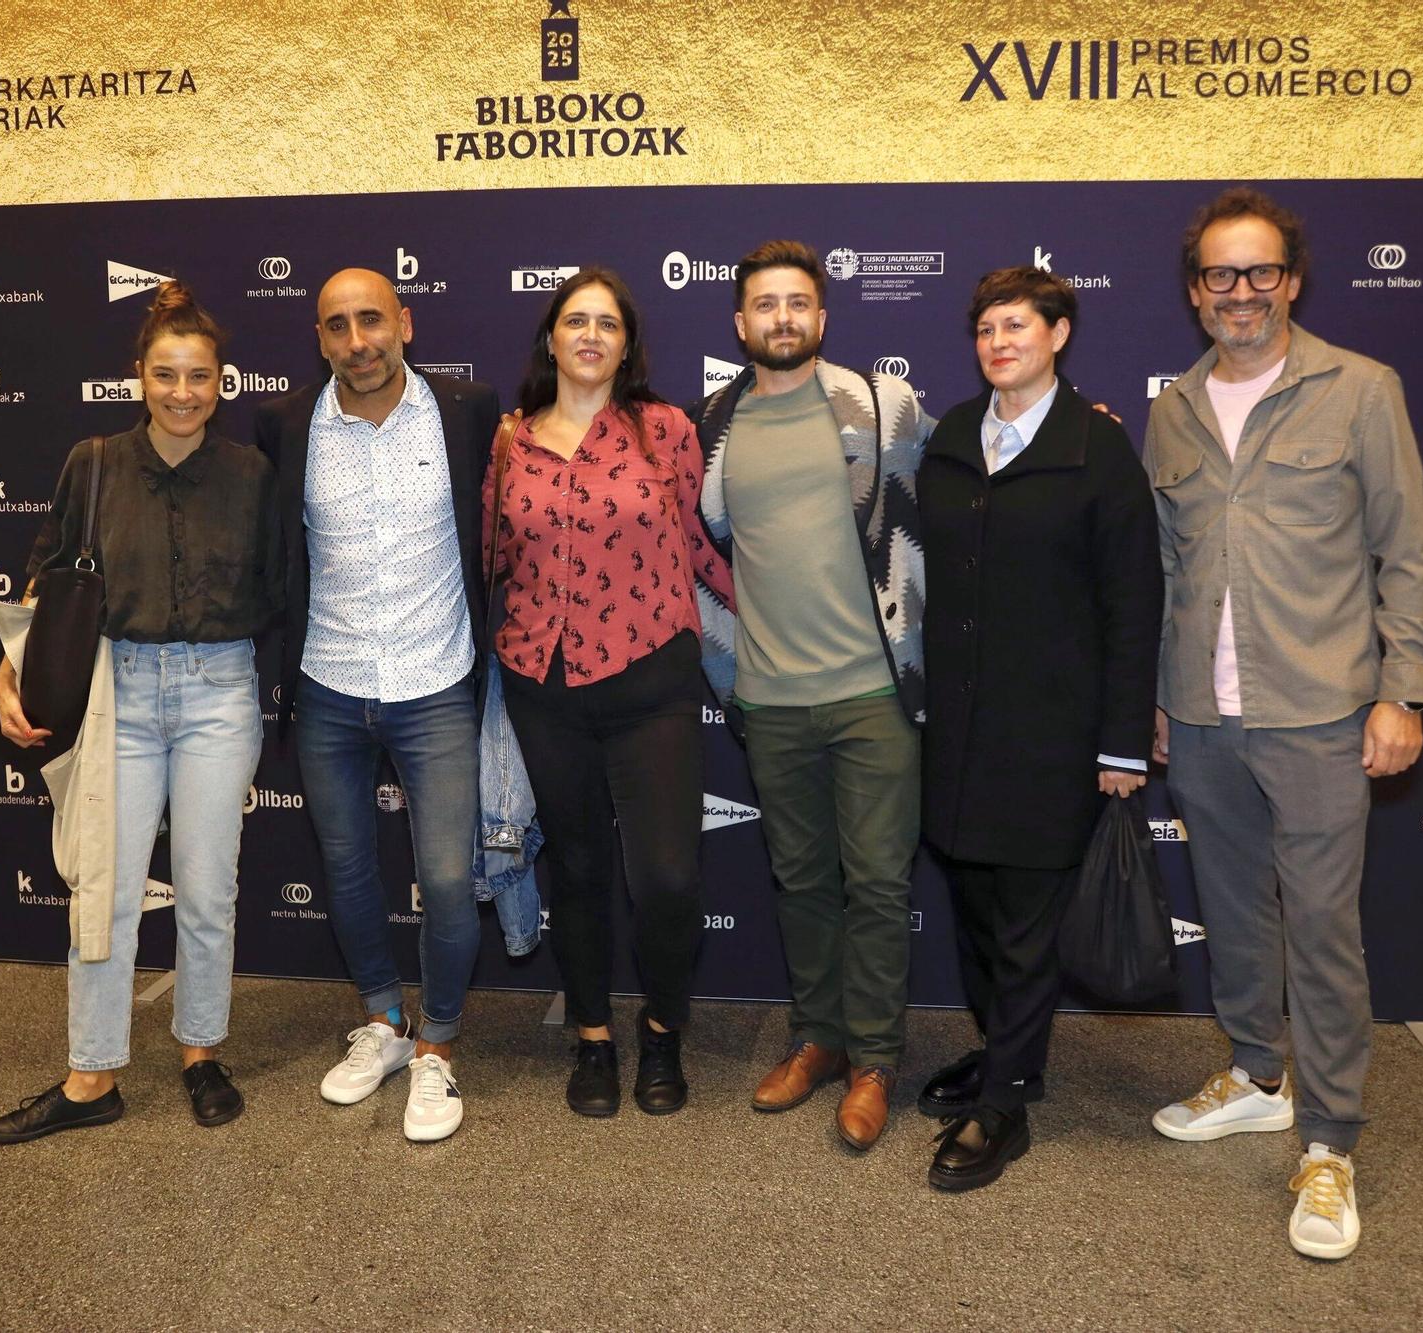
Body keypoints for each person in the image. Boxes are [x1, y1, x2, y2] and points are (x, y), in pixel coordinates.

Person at [1143, 188, 1423, 1259]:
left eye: (1258, 271)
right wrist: (1160, 697)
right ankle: (1258, 1073)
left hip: (1319, 709)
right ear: (1194, 291)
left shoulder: (1357, 390)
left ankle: (1327, 1143)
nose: (1240, 292)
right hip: (1202, 715)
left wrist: (1399, 688)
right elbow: (1170, 568)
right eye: (1219, 275)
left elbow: (1405, 550)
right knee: (1231, 914)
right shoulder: (1171, 409)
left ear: (1291, 280)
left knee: (1320, 930)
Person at [0, 280, 278, 1144]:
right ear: (139, 378)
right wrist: (6, 680)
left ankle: (201, 1053)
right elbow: (44, 578)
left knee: (205, 888)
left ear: (221, 382)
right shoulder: (95, 461)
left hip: (221, 691)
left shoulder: (252, 474)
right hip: (118, 688)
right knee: (103, 888)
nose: (182, 392)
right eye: (165, 375)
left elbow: (281, 591)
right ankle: (92, 1074)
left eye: (198, 376)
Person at [915, 266, 1160, 1190]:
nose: (998, 341)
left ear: (1058, 334)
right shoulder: (947, 436)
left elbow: (1134, 605)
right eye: (984, 328)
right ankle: (1002, 1054)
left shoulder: (1098, 452)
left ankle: (1007, 1099)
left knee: (1024, 927)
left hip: (1053, 739)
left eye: (1017, 324)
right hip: (958, 734)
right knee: (976, 913)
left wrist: (1122, 745)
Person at [691, 240, 931, 1150]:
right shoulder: (710, 422)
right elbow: (701, 549)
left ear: (821, 319)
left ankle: (874, 1057)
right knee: (800, 881)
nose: (782, 318)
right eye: (765, 304)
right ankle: (817, 1037)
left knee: (874, 881)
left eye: (798, 303)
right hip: (769, 698)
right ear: (740, 322)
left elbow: (963, 488)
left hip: (874, 691)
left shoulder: (884, 403)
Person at [254, 268, 498, 1143]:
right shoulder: (288, 426)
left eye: (371, 320)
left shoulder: (466, 412)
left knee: (443, 878)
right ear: (319, 340)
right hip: (329, 683)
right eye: (336, 327)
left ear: (405, 323)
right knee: (348, 870)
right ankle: (384, 1023)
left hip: (436, 682)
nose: (358, 341)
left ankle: (436, 1042)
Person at [485, 267, 734, 1117]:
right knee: (581, 871)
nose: (590, 335)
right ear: (550, 338)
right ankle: (593, 1037)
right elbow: (494, 558)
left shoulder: (666, 429)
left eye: (608, 324)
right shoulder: (510, 440)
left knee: (666, 876)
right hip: (541, 683)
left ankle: (663, 1030)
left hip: (650, 676)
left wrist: (761, 623)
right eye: (575, 321)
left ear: (627, 344)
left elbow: (703, 545)